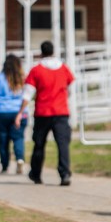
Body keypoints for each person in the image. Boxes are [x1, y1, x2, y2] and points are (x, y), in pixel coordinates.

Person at [17, 40, 74, 186]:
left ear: (41, 52)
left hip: (43, 112)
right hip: (61, 111)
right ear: (53, 51)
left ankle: (36, 174)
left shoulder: (36, 70)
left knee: (39, 144)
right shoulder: (64, 69)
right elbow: (70, 88)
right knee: (63, 145)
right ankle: (65, 173)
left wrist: (20, 112)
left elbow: (27, 94)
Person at [0, 54, 28, 174]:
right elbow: (27, 95)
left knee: (3, 139)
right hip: (19, 112)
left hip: (2, 112)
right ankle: (20, 159)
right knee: (18, 137)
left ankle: (5, 165)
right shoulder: (22, 78)